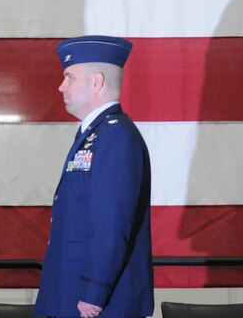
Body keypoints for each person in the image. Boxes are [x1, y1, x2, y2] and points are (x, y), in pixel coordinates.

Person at [34, 35, 153, 318]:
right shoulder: (95, 135)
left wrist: (94, 291)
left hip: (97, 303)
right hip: (71, 292)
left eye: (69, 77)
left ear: (96, 82)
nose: (61, 86)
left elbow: (110, 223)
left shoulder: (115, 138)